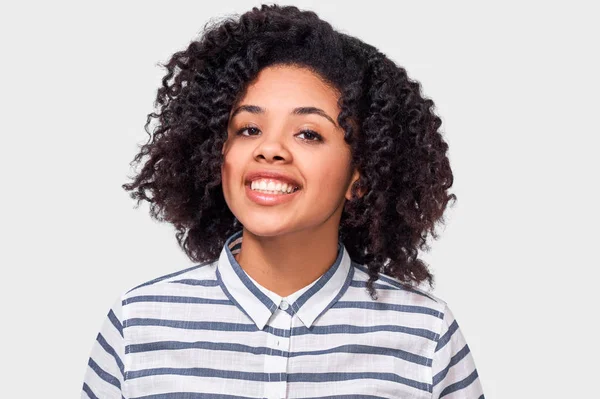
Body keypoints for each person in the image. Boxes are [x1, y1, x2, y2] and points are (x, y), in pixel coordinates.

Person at [81, 4, 485, 398]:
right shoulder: (137, 327)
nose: (270, 148)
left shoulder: (426, 335)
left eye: (308, 133)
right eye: (248, 128)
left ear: (360, 176)